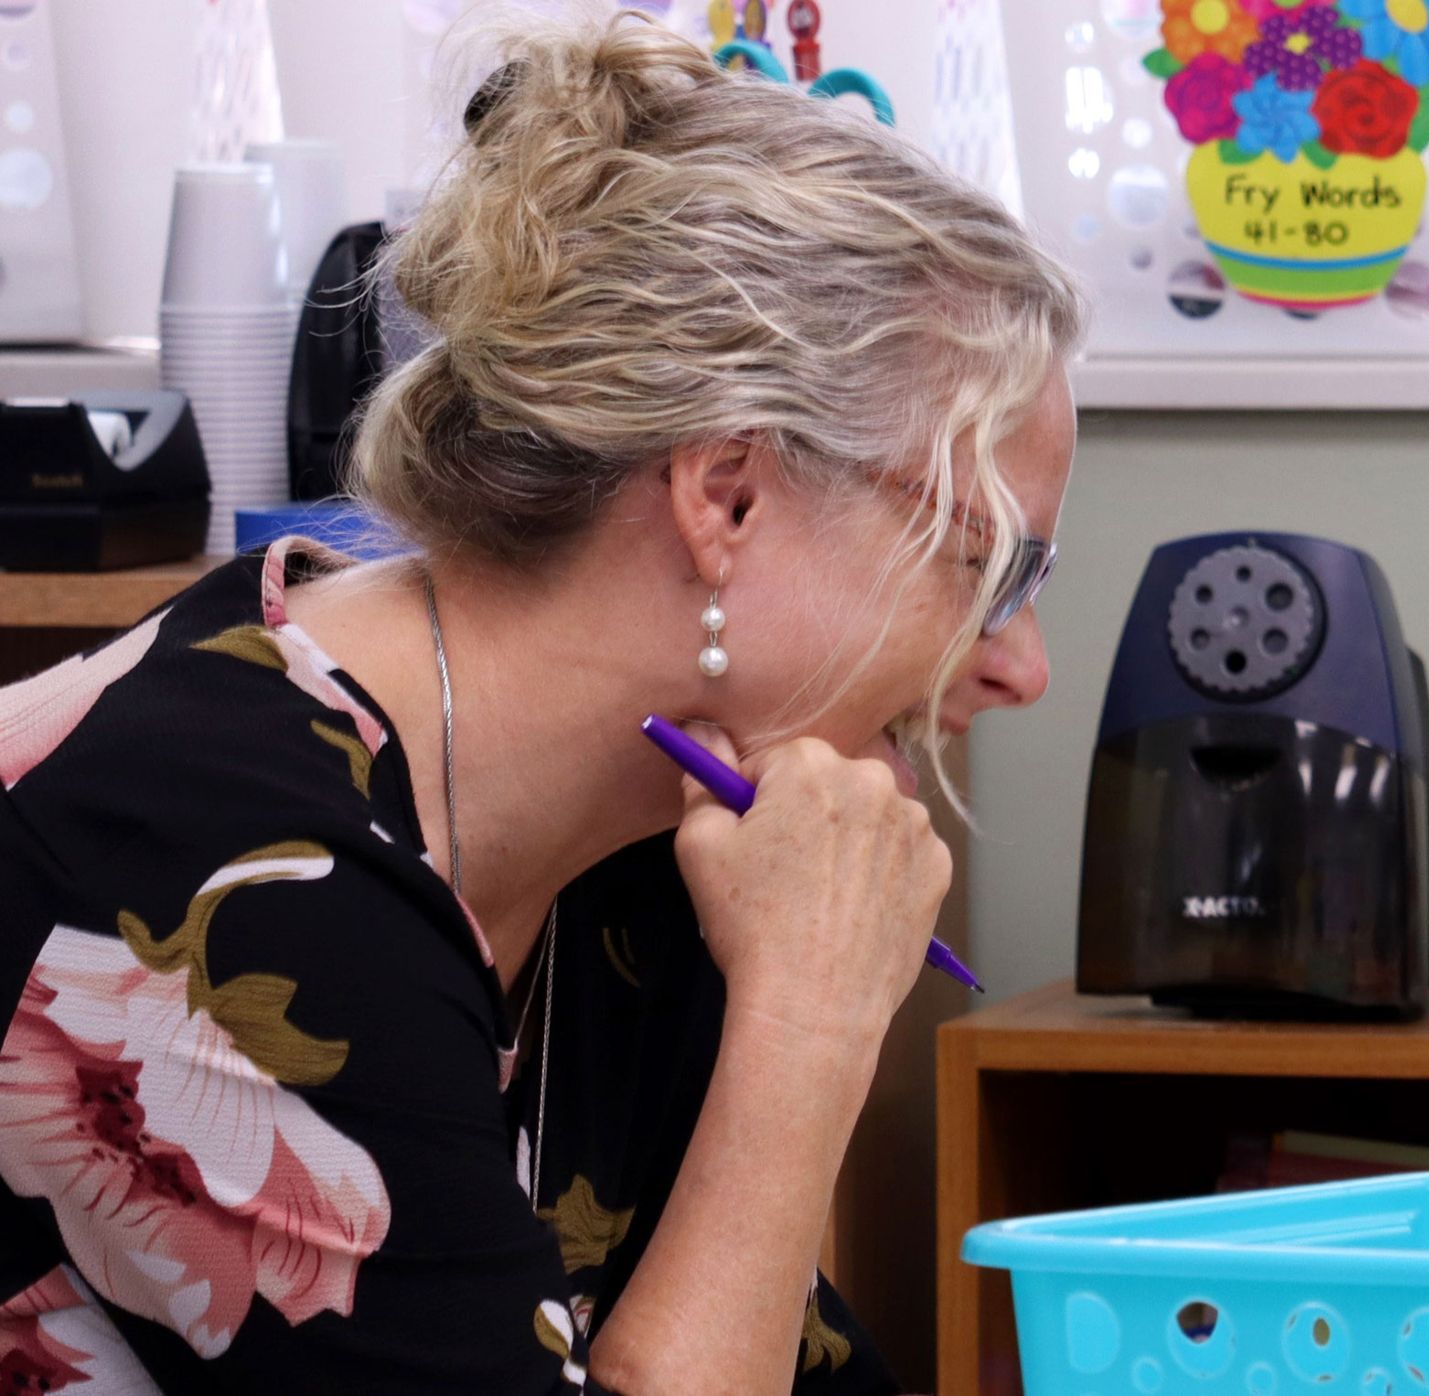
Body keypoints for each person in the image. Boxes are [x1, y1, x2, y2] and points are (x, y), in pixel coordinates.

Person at [0, 7, 1082, 1392]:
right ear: (728, 496)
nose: (1021, 665)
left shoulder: (654, 834)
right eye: (988, 561)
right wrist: (807, 1034)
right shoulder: (223, 881)